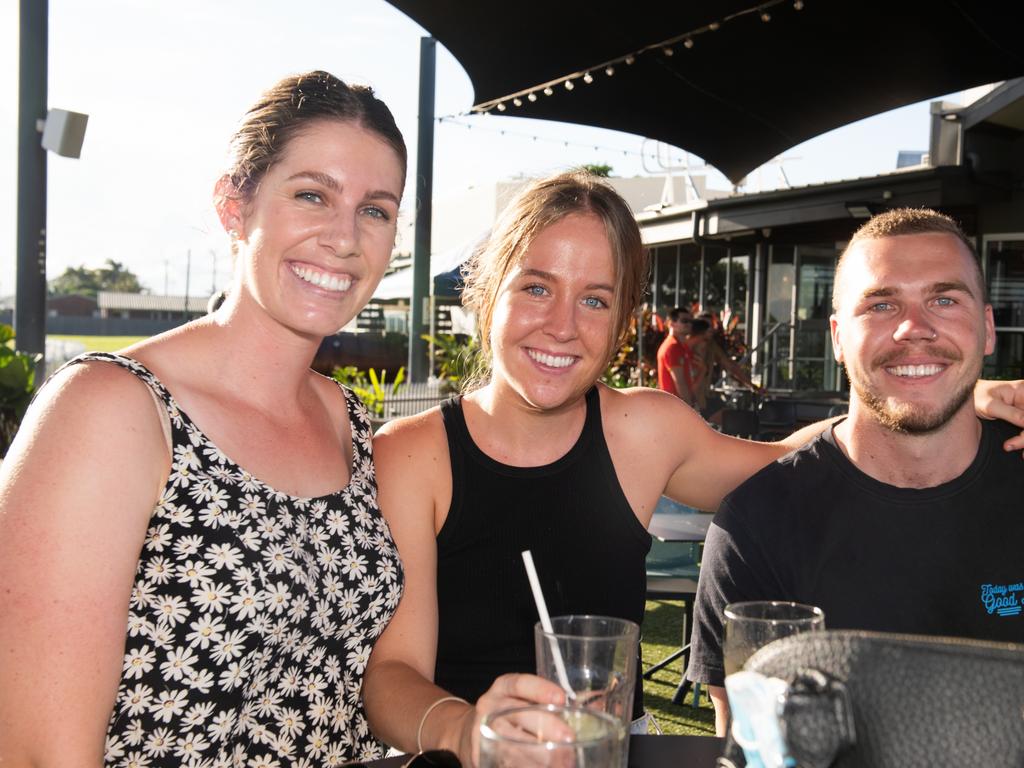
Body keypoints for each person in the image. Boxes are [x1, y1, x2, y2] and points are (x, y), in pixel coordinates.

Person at [362, 175, 1024, 766]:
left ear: (623, 322)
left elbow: (796, 464)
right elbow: (391, 674)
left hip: (613, 749)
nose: (562, 326)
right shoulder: (415, 453)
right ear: (486, 297)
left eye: (594, 300)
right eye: (536, 287)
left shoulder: (643, 430)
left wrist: (949, 395)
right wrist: (469, 731)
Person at [0, 71, 407, 765]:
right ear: (233, 205)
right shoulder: (111, 408)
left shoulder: (351, 422)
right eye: (312, 195)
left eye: (375, 209)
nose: (345, 237)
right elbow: (39, 752)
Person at [686, 208, 1024, 736]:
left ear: (986, 329)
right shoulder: (758, 523)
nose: (914, 327)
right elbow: (755, 748)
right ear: (839, 339)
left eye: (944, 299)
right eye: (882, 304)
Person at [656, 306, 697, 402]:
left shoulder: (680, 346)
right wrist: (690, 408)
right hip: (675, 406)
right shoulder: (673, 347)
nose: (689, 324)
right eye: (684, 321)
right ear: (671, 323)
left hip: (675, 405)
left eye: (691, 321)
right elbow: (680, 383)